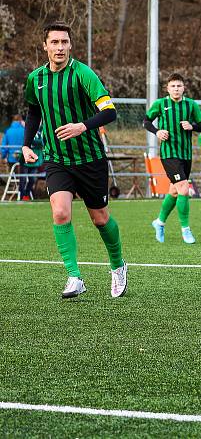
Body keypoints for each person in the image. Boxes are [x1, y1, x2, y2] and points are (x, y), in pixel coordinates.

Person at [21, 21, 127, 299]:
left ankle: (118, 266)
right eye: (54, 42)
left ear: (70, 45)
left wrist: (83, 125)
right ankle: (74, 276)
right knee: (60, 212)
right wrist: (26, 144)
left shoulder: (83, 74)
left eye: (64, 42)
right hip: (57, 159)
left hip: (90, 158)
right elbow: (34, 112)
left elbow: (110, 111)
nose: (59, 48)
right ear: (45, 46)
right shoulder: (36, 79)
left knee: (100, 219)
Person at [143, 72, 201, 244]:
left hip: (185, 154)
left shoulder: (191, 105)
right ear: (168, 88)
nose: (176, 89)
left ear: (183, 88)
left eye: (179, 86)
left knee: (174, 190)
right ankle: (185, 229)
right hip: (169, 154)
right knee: (184, 189)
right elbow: (146, 121)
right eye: (173, 86)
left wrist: (192, 126)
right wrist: (157, 132)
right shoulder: (160, 104)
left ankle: (159, 222)